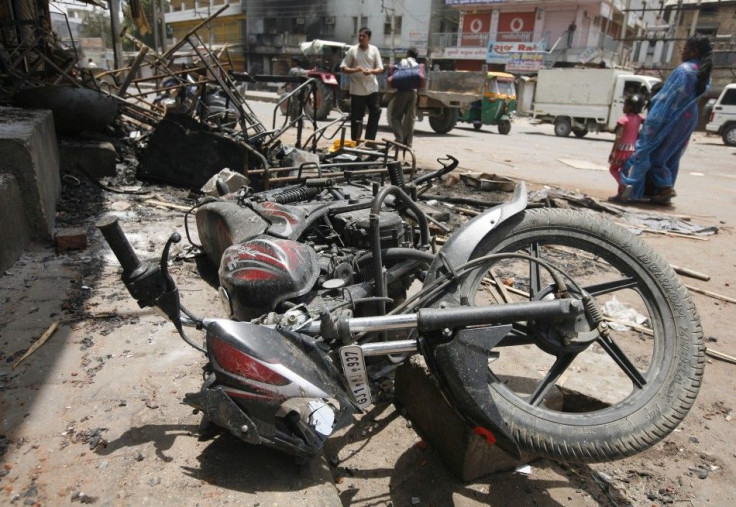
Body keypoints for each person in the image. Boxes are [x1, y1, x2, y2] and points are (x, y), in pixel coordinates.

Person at [620, 34, 713, 204]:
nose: (682, 53)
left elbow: (667, 100)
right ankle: (659, 192)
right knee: (672, 157)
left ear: (694, 51)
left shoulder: (684, 70)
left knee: (651, 154)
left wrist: (652, 123)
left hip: (673, 117)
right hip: (689, 118)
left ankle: (652, 189)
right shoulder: (701, 72)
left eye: (684, 49)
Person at [340, 27, 384, 142]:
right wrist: (355, 70)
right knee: (356, 117)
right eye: (359, 36)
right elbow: (343, 67)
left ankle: (369, 140)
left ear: (369, 38)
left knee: (375, 112)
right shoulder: (352, 50)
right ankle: (355, 141)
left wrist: (371, 71)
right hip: (357, 90)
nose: (360, 38)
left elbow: (380, 68)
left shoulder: (374, 50)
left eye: (363, 36)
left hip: (372, 89)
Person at [608, 94, 645, 200]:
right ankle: (620, 195)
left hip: (622, 150)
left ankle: (624, 185)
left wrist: (613, 152)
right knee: (624, 171)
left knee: (613, 169)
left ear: (629, 107)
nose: (623, 107)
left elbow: (618, 137)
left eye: (624, 105)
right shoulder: (639, 119)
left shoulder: (624, 119)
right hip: (633, 150)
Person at [390, 47, 419, 148]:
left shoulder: (404, 61)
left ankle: (399, 139)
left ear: (408, 53)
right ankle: (408, 143)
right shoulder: (417, 65)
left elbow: (397, 72)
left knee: (395, 116)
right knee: (410, 118)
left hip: (403, 92)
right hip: (414, 93)